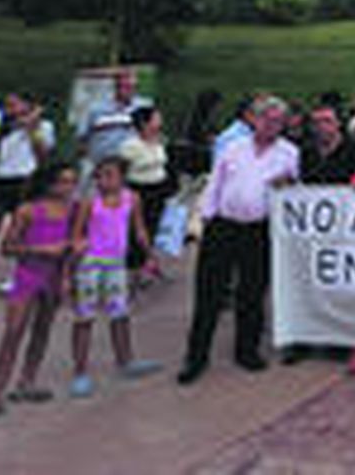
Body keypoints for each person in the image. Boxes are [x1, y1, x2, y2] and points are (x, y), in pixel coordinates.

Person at [179, 96, 300, 385]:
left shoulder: (289, 152)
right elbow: (215, 183)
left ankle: (246, 350)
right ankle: (196, 357)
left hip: (259, 228)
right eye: (266, 119)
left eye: (278, 121)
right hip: (223, 225)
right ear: (254, 120)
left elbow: (294, 190)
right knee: (209, 293)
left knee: (252, 292)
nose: (272, 125)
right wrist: (205, 218)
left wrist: (289, 185)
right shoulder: (232, 147)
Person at [0, 162, 77, 418]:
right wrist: (41, 250)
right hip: (28, 275)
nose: (68, 187)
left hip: (55, 276)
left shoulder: (72, 210)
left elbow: (74, 246)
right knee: (13, 331)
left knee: (42, 329)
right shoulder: (28, 210)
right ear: (49, 183)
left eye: (72, 181)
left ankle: (27, 380)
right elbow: (7, 247)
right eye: (63, 181)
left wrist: (68, 273)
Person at [68, 156, 162, 398]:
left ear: (122, 177)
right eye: (99, 175)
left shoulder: (132, 199)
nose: (103, 180)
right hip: (90, 265)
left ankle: (126, 361)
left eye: (109, 174)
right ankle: (80, 372)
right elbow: (77, 235)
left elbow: (139, 229)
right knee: (84, 317)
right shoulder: (90, 202)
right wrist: (71, 266)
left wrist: (150, 254)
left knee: (120, 313)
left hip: (116, 265)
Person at [0, 97, 55, 290]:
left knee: (21, 230)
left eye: (15, 103)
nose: (11, 108)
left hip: (26, 180)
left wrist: (31, 129)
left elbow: (43, 154)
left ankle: (17, 276)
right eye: (8, 104)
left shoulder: (44, 126)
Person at [119, 106, 173, 260]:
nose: (160, 122)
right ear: (145, 123)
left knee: (154, 226)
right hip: (139, 189)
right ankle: (134, 262)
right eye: (156, 118)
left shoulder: (159, 141)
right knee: (137, 227)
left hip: (158, 188)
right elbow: (123, 169)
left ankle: (148, 261)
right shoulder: (130, 146)